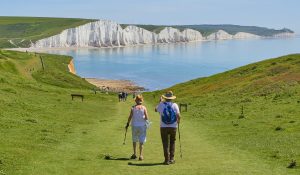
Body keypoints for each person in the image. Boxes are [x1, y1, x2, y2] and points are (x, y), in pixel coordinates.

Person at [155, 91, 180, 165]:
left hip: (163, 126)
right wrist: (178, 122)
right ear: (172, 98)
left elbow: (156, 109)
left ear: (165, 98)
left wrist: (160, 102)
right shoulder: (175, 105)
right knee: (172, 142)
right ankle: (172, 159)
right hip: (173, 126)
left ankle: (166, 160)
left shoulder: (161, 104)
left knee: (165, 142)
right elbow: (179, 116)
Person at [125, 95, 149, 161]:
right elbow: (147, 118)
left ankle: (134, 154)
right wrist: (144, 118)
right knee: (141, 141)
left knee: (134, 140)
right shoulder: (144, 107)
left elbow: (130, 117)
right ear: (141, 101)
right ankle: (141, 155)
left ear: (136, 101)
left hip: (134, 125)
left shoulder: (133, 107)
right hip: (142, 126)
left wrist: (127, 123)